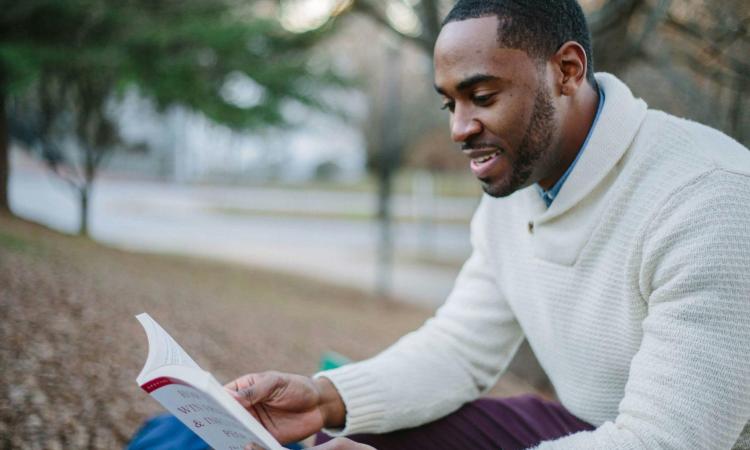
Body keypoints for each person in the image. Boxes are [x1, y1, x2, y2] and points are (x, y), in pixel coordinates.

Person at [226, 0, 750, 448]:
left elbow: (664, 441)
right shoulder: (519, 185)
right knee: (357, 434)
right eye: (450, 102)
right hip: (590, 426)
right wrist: (324, 398)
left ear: (566, 70)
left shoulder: (710, 199)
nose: (458, 129)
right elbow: (459, 348)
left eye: (482, 97)